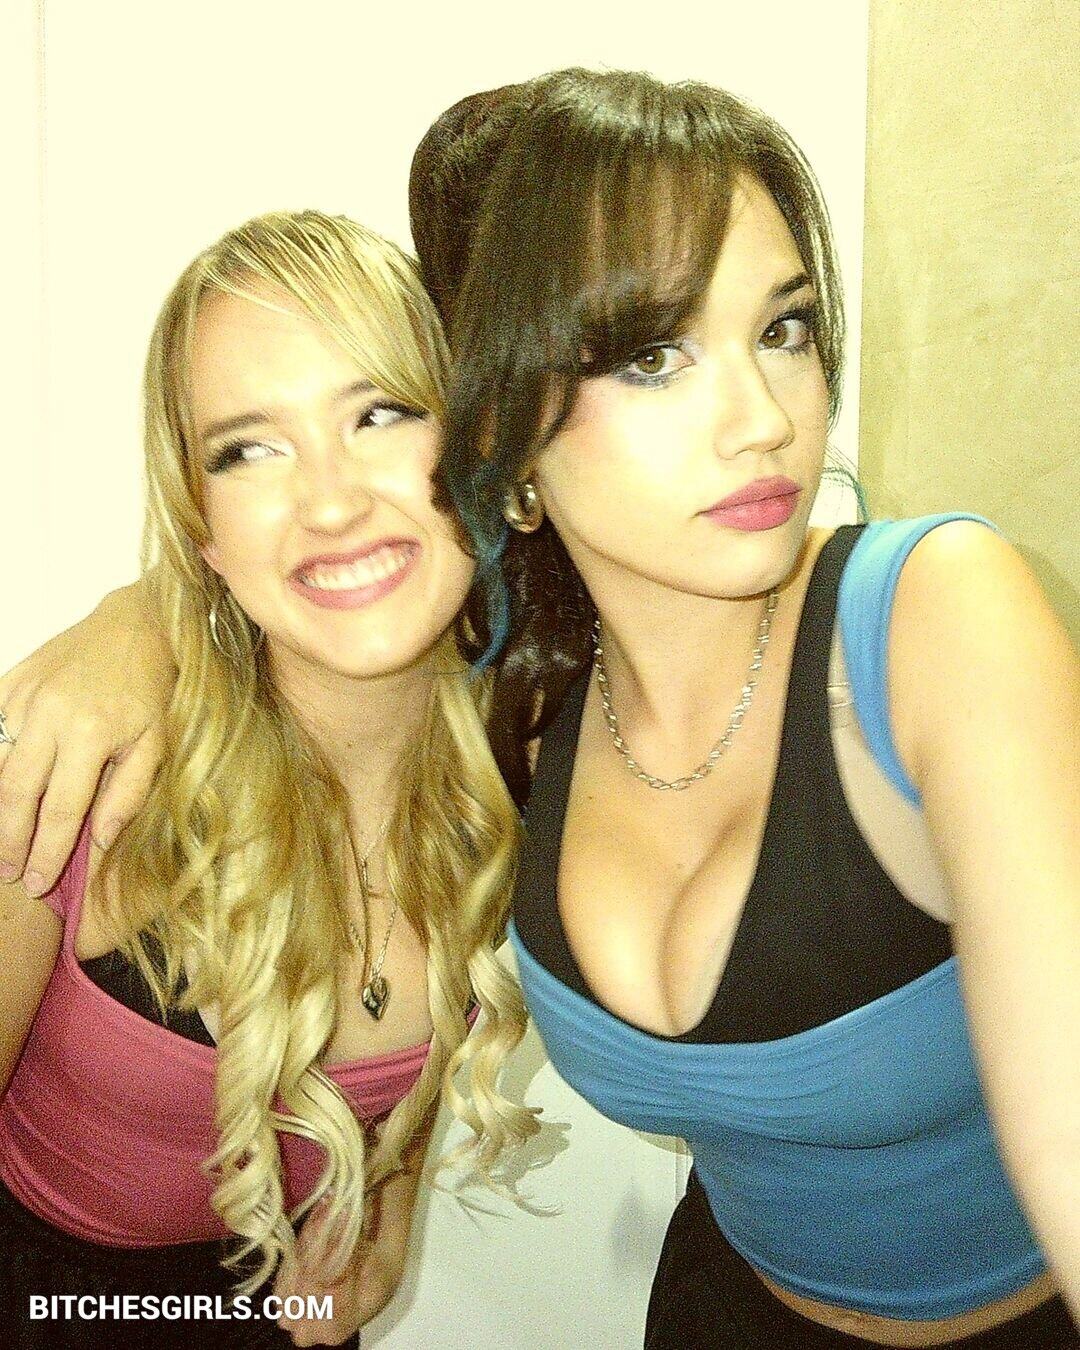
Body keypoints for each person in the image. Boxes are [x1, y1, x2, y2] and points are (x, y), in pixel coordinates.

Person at [3, 68, 1078, 1349]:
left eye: (785, 329)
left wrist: (386, 1185)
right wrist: (131, 625)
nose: (764, 423)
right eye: (653, 355)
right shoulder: (108, 768)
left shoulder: (566, 713)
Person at [0, 210, 535, 1348]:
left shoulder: (528, 766)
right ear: (202, 529)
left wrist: (382, 1206)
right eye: (249, 448)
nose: (331, 502)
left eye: (380, 413)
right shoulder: (73, 784)